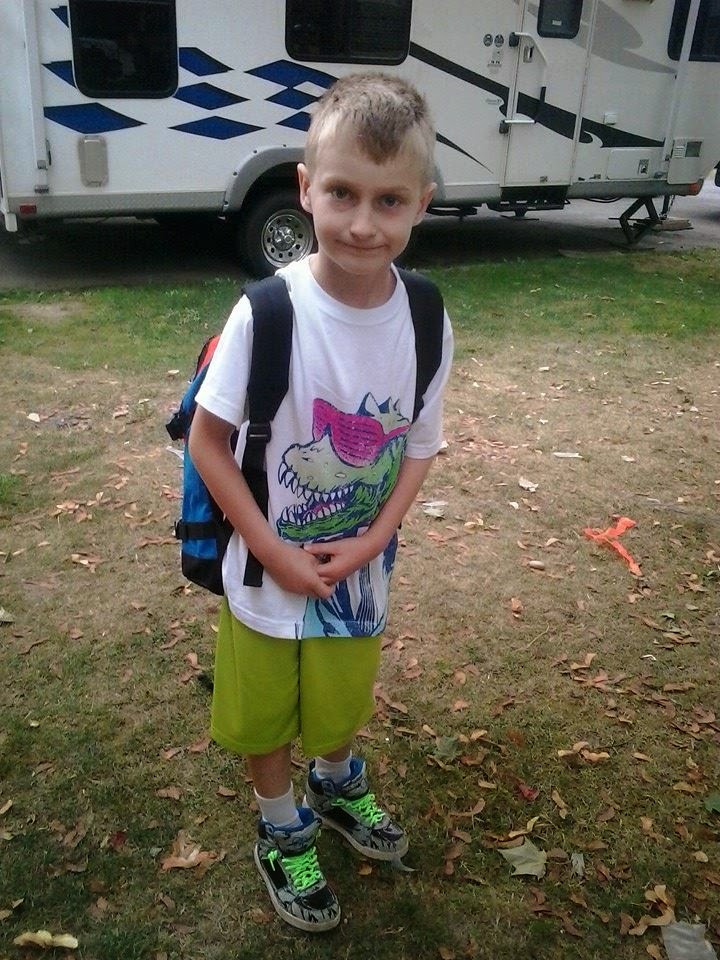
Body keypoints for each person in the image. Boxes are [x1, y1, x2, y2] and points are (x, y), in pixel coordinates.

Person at [188, 72, 454, 933]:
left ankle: (336, 784)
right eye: (342, 193)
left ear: (422, 203)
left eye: (390, 201)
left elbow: (419, 444)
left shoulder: (425, 317)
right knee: (265, 712)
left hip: (357, 575)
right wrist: (272, 552)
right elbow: (207, 443)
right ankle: (280, 827)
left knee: (341, 700)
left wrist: (374, 540)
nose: (363, 223)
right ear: (305, 189)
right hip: (265, 572)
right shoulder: (266, 313)